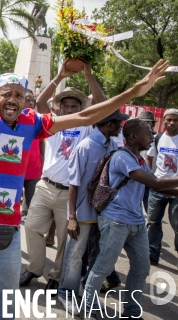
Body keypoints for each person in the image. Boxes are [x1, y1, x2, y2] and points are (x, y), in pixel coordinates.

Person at [0, 25, 168, 319]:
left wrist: (135, 91)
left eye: (19, 95)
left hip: (8, 236)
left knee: (4, 310)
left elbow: (86, 115)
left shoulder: (33, 123)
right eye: (6, 93)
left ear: (25, 100)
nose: (13, 99)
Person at [81, 119, 178, 320]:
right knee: (102, 267)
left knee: (142, 268)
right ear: (133, 136)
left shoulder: (139, 160)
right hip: (116, 221)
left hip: (136, 223)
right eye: (148, 132)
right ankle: (88, 306)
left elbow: (156, 185)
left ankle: (132, 312)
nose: (153, 135)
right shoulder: (122, 157)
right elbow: (156, 183)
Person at [22, 67, 106, 293]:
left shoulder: (88, 126)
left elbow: (102, 103)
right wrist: (59, 76)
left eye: (74, 106)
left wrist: (88, 73)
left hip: (71, 193)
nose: (69, 109)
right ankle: (35, 267)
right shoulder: (53, 124)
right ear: (58, 107)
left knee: (63, 238)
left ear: (81, 108)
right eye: (65, 105)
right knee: (31, 226)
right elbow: (39, 104)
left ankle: (56, 276)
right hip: (45, 185)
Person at [57, 110, 129, 311]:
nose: (121, 126)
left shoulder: (113, 145)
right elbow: (73, 183)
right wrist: (72, 217)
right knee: (75, 255)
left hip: (104, 213)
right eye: (118, 123)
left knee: (99, 254)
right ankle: (66, 292)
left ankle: (85, 289)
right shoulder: (84, 147)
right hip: (82, 213)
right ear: (108, 125)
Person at [145, 108, 178, 266]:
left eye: (175, 120)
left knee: (176, 223)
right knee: (153, 222)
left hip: (176, 190)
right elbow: (150, 158)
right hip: (157, 187)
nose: (171, 123)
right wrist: (150, 178)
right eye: (169, 119)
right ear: (163, 120)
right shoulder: (157, 138)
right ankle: (152, 253)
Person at [20, 89, 45, 224]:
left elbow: (42, 144)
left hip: (34, 169)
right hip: (16, 169)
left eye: (32, 101)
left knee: (32, 201)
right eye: (27, 99)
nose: (30, 103)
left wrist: (43, 162)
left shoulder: (38, 120)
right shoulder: (12, 119)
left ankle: (30, 223)